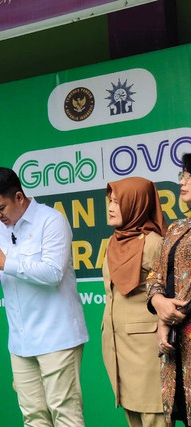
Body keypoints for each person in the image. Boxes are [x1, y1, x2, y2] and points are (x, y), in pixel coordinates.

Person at [0, 167, 89, 426]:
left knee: (64, 413)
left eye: (0, 208)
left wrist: (4, 261)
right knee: (33, 416)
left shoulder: (51, 220)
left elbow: (54, 272)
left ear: (19, 197)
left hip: (58, 336)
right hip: (20, 341)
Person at [102, 177, 167, 427]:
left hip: (147, 352)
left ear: (136, 204)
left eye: (118, 202)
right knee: (134, 419)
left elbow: (171, 294)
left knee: (155, 418)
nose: (110, 207)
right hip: (119, 349)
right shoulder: (114, 241)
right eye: (110, 201)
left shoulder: (154, 243)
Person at [147, 153, 191, 427]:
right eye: (182, 176)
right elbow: (155, 274)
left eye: (189, 176)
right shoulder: (176, 228)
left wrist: (170, 314)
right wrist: (159, 302)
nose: (182, 182)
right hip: (177, 347)